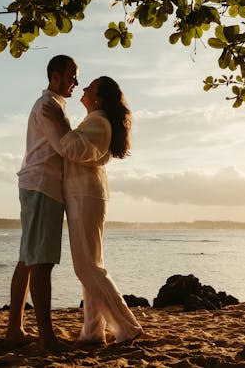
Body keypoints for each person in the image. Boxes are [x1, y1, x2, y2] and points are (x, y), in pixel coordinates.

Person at [43, 76, 143, 345]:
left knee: (88, 267)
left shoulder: (99, 122)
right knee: (89, 266)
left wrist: (58, 123)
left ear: (99, 98)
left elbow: (74, 149)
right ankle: (92, 331)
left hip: (85, 196)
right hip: (83, 195)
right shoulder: (96, 121)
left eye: (91, 87)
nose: (84, 89)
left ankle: (127, 326)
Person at [4, 55, 79, 351]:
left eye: (76, 77)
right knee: (41, 262)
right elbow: (65, 147)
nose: (75, 82)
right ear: (55, 76)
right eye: (71, 77)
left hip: (38, 186)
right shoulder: (48, 106)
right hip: (41, 186)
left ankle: (15, 330)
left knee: (28, 258)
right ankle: (46, 336)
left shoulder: (53, 104)